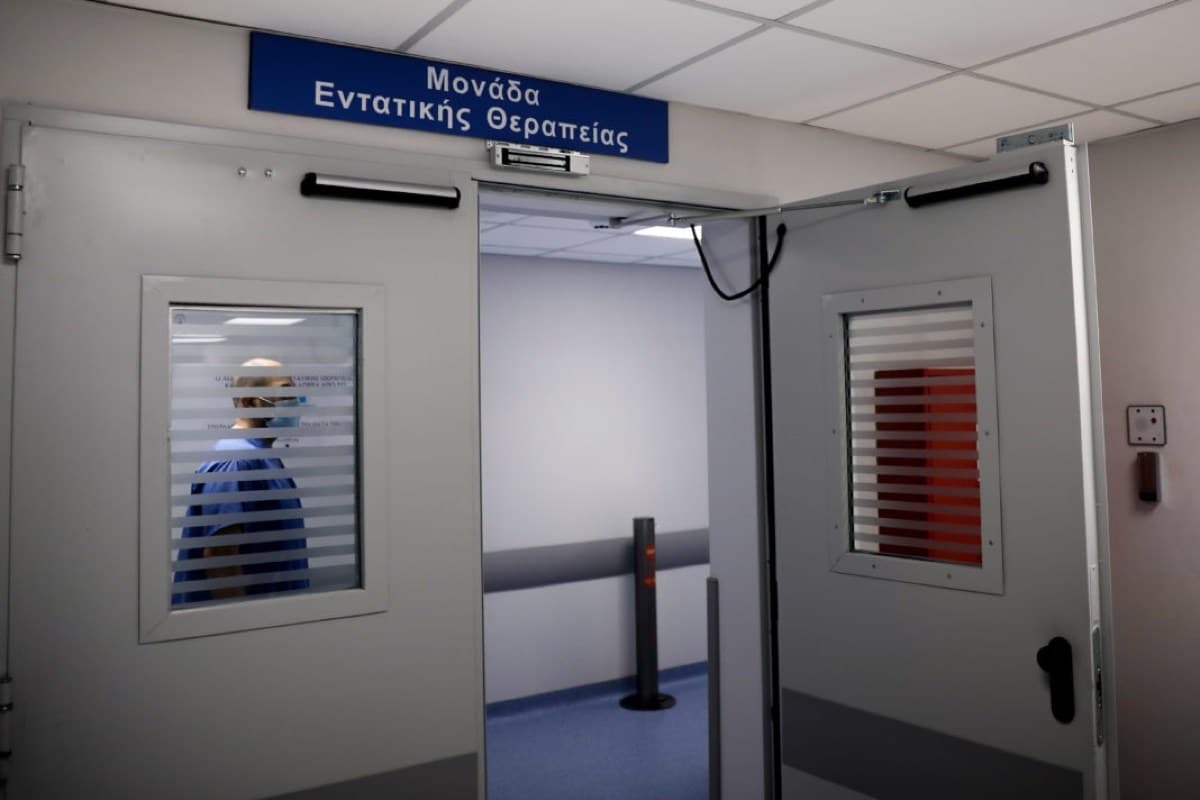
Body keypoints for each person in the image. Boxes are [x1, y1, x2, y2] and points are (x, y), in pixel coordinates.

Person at [172, 358, 309, 605]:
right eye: (286, 393)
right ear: (249, 402)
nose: (296, 402)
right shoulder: (235, 460)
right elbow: (220, 557)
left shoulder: (260, 455)